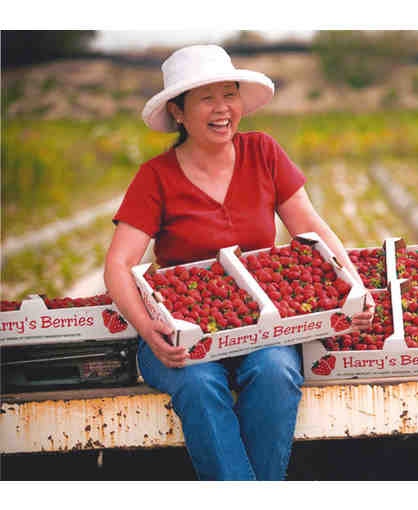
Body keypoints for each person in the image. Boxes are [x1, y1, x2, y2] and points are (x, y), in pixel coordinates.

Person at [104, 45, 372, 481]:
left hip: (263, 326)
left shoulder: (263, 153)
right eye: (205, 98)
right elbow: (119, 264)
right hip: (182, 331)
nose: (222, 108)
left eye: (229, 94)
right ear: (178, 112)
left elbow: (312, 228)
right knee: (198, 384)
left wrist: (354, 289)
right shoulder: (156, 176)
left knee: (276, 370)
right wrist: (149, 331)